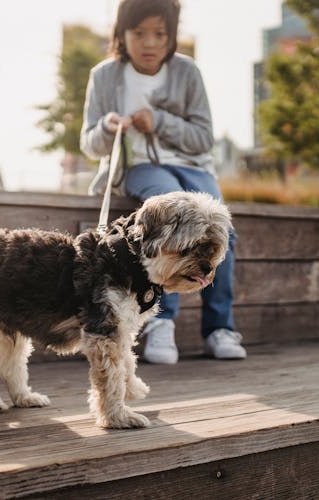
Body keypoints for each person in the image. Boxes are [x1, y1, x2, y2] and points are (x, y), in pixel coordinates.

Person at [80, 0, 246, 364]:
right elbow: (88, 143)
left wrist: (160, 121)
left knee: (223, 231)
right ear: (122, 34)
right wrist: (108, 128)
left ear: (172, 36)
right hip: (139, 166)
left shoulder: (187, 72)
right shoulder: (105, 75)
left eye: (160, 33)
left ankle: (220, 327)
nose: (149, 43)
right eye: (139, 33)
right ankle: (161, 321)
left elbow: (203, 137)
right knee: (171, 218)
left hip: (194, 168)